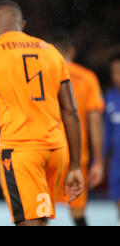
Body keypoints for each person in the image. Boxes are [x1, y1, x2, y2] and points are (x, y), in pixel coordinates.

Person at [0, 0, 84, 226]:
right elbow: (71, 111)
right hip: (56, 151)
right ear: (22, 24)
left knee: (29, 222)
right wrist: (75, 166)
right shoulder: (50, 51)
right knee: (39, 221)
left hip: (22, 151)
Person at [50, 33, 105, 226]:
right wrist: (98, 161)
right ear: (72, 51)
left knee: (41, 213)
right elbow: (95, 122)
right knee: (78, 213)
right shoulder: (88, 77)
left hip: (47, 154)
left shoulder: (40, 77)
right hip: (77, 157)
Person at [104, 52, 120, 226]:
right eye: (114, 72)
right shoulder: (109, 98)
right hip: (117, 162)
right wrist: (100, 161)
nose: (116, 76)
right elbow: (105, 133)